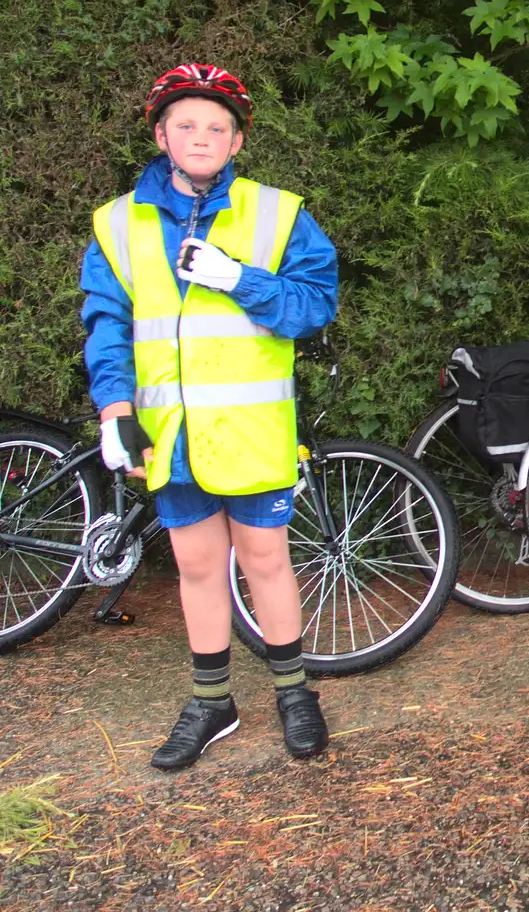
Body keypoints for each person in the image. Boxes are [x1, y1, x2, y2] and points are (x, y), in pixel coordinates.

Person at [81, 64, 340, 770]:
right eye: (186, 124)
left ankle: (294, 692)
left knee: (265, 561)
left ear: (238, 141)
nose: (202, 136)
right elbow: (107, 323)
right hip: (171, 433)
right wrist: (115, 410)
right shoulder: (116, 222)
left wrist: (239, 279)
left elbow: (315, 304)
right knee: (197, 565)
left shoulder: (279, 213)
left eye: (216, 126)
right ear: (161, 135)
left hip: (253, 432)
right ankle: (212, 700)